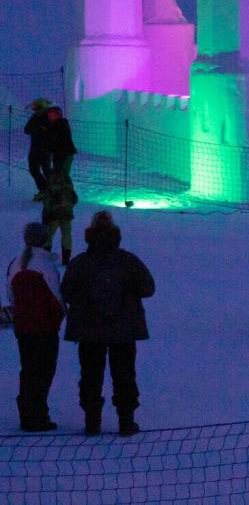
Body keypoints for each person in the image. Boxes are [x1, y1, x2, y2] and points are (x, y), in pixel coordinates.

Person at [61, 211, 155, 435]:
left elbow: (65, 292)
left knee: (91, 376)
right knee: (124, 375)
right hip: (123, 330)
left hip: (89, 330)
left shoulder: (80, 263)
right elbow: (148, 288)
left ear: (89, 234)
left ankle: (92, 422)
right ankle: (126, 421)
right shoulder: (127, 261)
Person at [7, 223, 63, 432]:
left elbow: (11, 295)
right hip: (46, 327)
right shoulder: (47, 265)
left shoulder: (16, 264)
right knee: (44, 371)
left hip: (23, 326)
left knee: (28, 369)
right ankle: (38, 414)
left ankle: (27, 413)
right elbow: (56, 297)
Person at [41, 171, 78, 266]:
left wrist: (46, 214)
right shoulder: (67, 182)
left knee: (48, 236)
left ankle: (46, 257)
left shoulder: (51, 185)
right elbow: (75, 199)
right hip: (67, 214)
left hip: (53, 215)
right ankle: (66, 259)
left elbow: (47, 201)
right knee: (66, 236)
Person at [24, 98, 53, 200]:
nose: (34, 109)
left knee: (46, 171)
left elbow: (51, 131)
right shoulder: (35, 117)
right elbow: (26, 129)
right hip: (35, 148)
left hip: (45, 149)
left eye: (35, 107)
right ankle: (44, 190)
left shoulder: (48, 117)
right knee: (34, 170)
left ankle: (51, 192)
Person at [46, 105, 77, 178]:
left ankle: (63, 188)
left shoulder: (58, 124)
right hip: (67, 153)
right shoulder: (63, 122)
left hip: (63, 154)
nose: (49, 117)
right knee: (63, 174)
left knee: (60, 175)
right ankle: (65, 188)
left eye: (50, 115)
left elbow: (54, 139)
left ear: (56, 114)